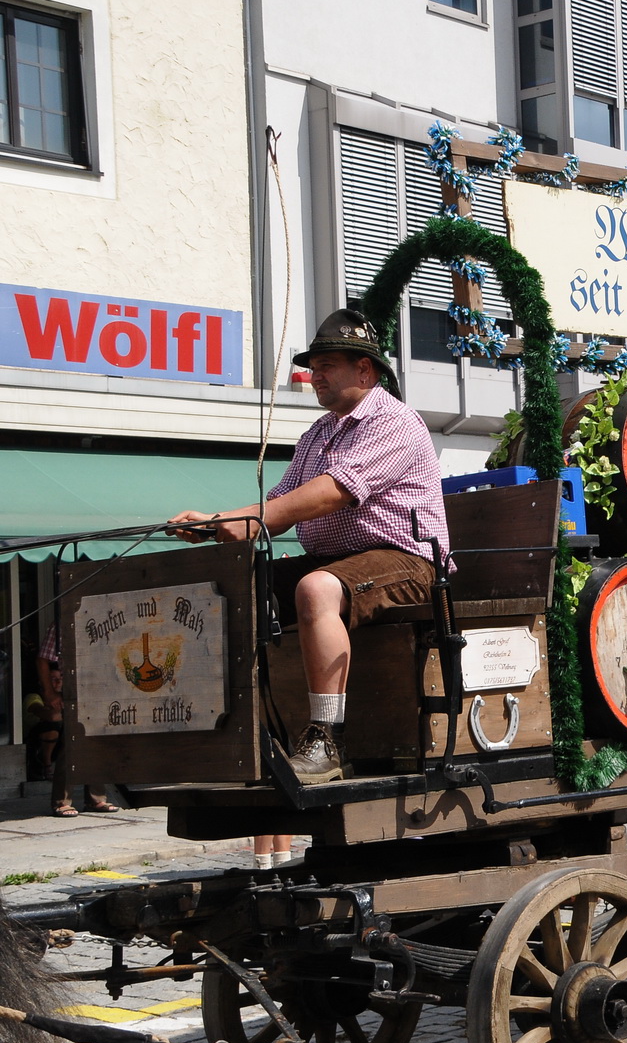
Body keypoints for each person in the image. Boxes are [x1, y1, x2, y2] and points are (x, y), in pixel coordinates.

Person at [171, 311, 450, 783]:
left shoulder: (395, 420)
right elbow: (280, 503)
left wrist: (250, 519)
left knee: (316, 589)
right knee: (228, 590)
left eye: (327, 365)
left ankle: (327, 740)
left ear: (366, 370)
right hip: (342, 561)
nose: (314, 376)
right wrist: (217, 524)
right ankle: (236, 729)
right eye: (313, 367)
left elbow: (332, 491)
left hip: (409, 561)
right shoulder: (317, 434)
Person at [34, 628, 118, 817]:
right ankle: (62, 801)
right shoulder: (62, 623)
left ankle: (96, 798)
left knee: (96, 744)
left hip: (100, 688)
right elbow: (43, 658)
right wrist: (49, 692)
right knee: (71, 745)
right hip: (75, 689)